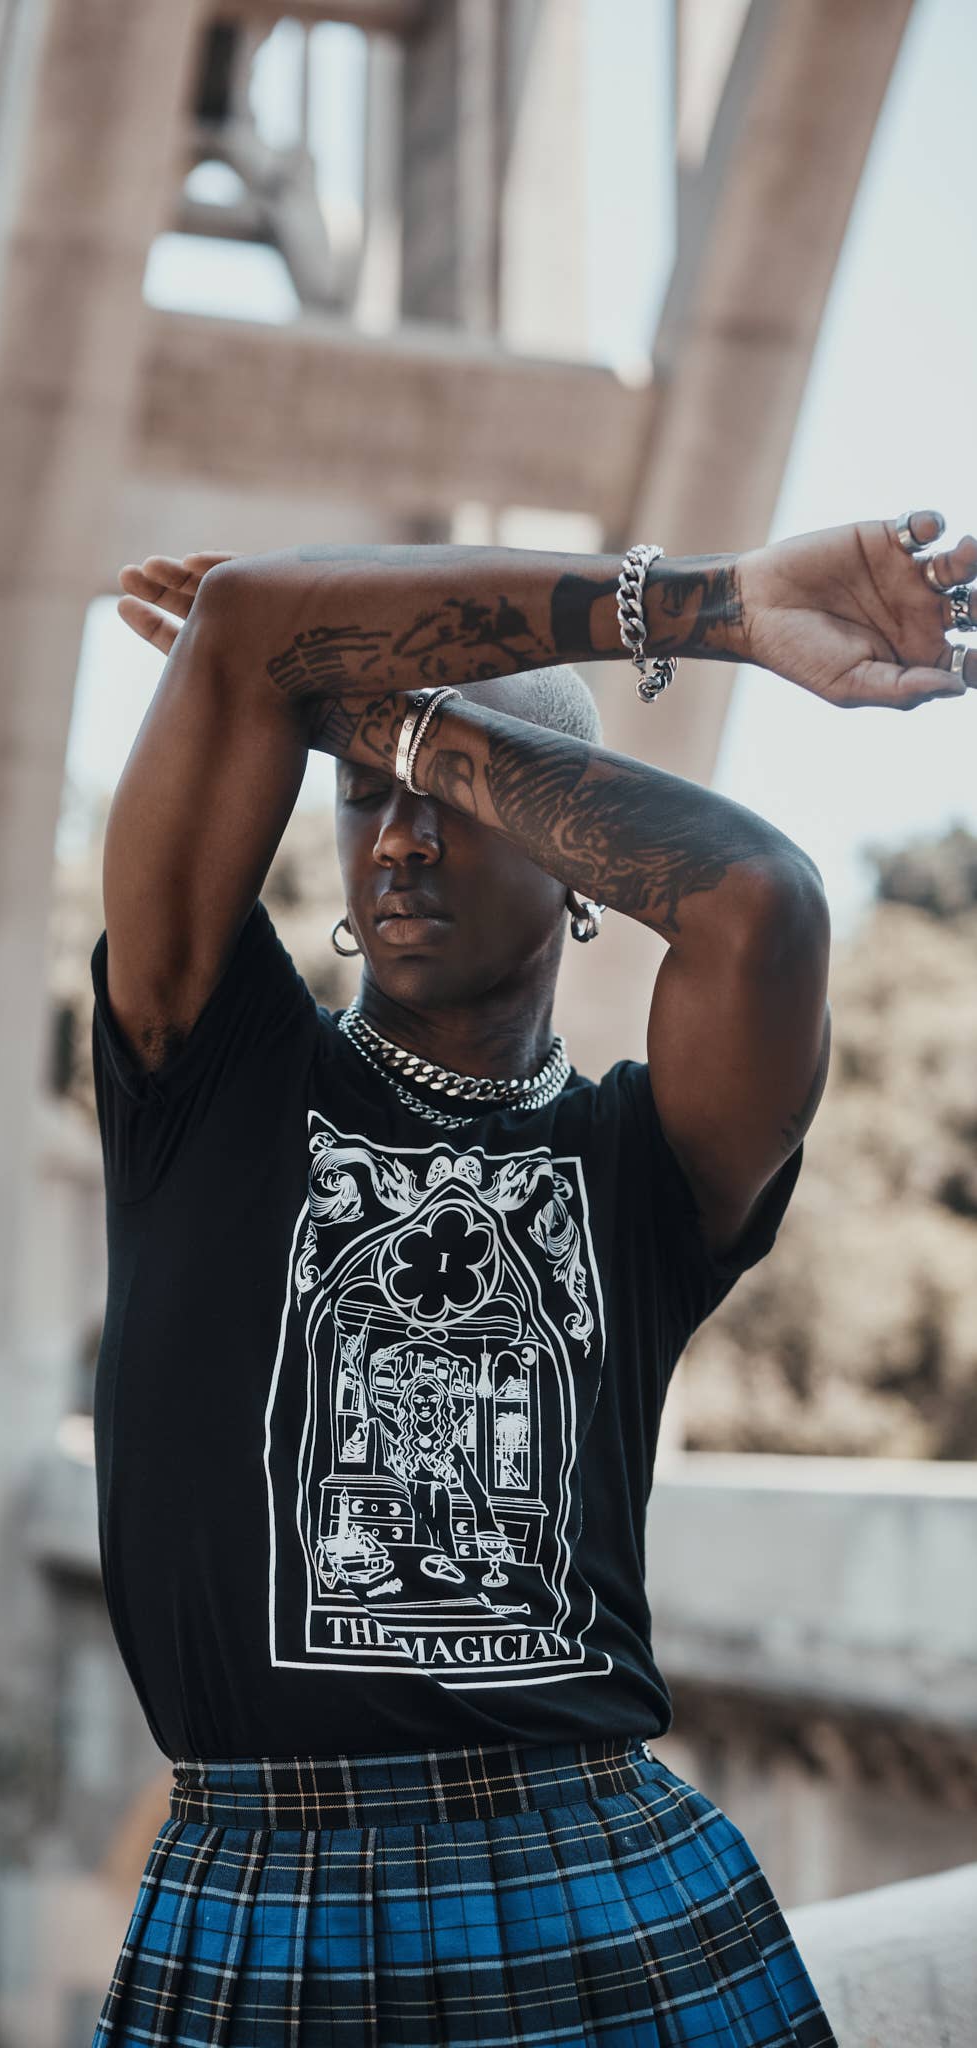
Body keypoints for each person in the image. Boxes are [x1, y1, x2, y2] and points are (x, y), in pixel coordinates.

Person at [87, 512, 976, 2046]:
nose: (398, 836)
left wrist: (376, 717)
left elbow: (758, 901)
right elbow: (239, 630)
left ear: (579, 868)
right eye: (361, 795)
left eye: (450, 793)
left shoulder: (642, 1166)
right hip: (261, 1887)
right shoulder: (211, 1072)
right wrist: (708, 605)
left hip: (603, 1877)